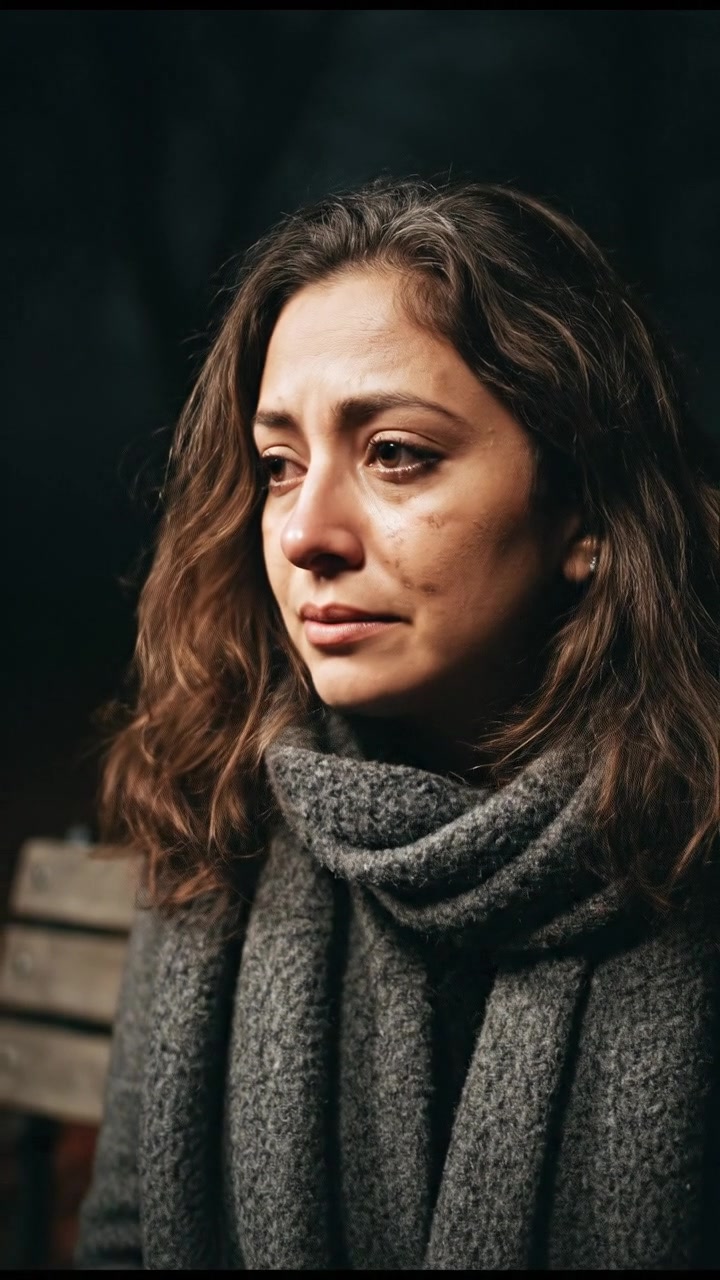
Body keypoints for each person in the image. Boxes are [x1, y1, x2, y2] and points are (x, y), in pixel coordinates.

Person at [76, 178, 720, 1270]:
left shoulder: (688, 843)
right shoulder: (219, 806)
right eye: (280, 467)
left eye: (395, 453)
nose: (306, 533)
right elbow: (129, 1238)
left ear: (587, 512)